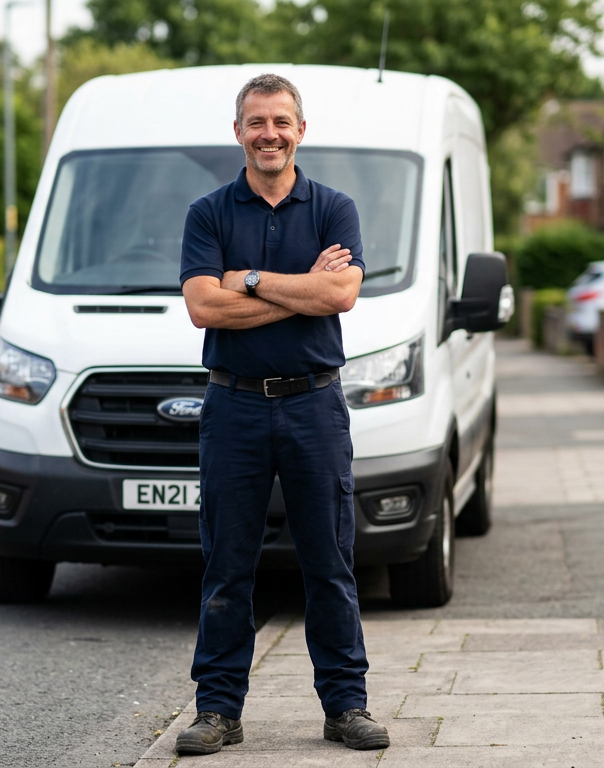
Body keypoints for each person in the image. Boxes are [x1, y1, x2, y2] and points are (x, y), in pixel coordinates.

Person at [174, 73, 389, 756]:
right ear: (238, 131)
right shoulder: (209, 213)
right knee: (226, 565)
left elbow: (341, 296)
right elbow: (203, 307)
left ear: (300, 130)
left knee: (329, 561)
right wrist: (305, 289)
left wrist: (249, 280)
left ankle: (346, 706)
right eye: (257, 122)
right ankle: (218, 711)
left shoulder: (334, 208)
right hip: (233, 404)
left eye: (281, 122)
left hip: (314, 405)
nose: (269, 134)